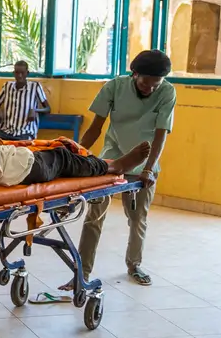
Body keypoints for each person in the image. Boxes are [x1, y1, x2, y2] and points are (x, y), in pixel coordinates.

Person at [0, 46, 150, 208]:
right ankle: (113, 166)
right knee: (61, 157)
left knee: (42, 150)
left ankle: (102, 163)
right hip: (2, 170)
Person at [68, 49, 177, 289]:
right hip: (112, 159)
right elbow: (95, 128)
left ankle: (134, 265)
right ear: (134, 74)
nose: (150, 89)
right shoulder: (115, 87)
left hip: (144, 162)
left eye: (156, 84)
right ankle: (82, 272)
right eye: (145, 83)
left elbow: (160, 135)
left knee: (137, 218)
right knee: (94, 217)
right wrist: (75, 156)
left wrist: (148, 169)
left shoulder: (167, 92)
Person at [0, 60, 50, 141]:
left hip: (25, 132)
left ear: (27, 73)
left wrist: (35, 110)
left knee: (22, 147)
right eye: (17, 73)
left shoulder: (35, 87)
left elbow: (48, 109)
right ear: (14, 73)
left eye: (22, 73)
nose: (20, 76)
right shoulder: (7, 86)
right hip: (5, 131)